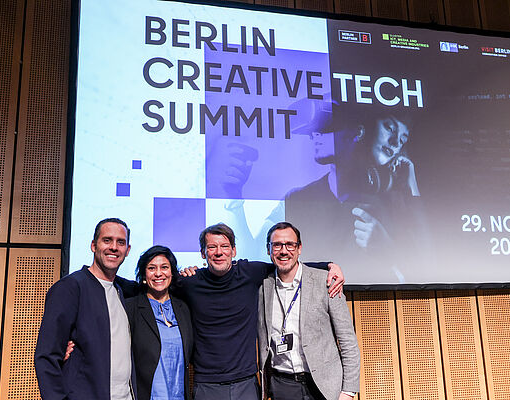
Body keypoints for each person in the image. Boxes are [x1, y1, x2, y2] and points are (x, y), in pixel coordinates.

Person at [175, 223, 344, 400]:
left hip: (246, 383)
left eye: (224, 246)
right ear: (203, 253)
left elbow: (287, 264)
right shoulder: (189, 282)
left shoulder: (249, 273)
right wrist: (182, 271)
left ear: (233, 251)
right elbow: (161, 281)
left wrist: (329, 265)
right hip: (207, 384)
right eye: (212, 247)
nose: (219, 252)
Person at [285, 101, 428, 282]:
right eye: (314, 130)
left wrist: (387, 251)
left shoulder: (388, 202)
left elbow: (424, 266)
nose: (316, 134)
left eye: (329, 128)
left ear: (358, 132)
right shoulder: (297, 198)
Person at [34, 218, 136, 400]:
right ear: (93, 245)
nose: (114, 247)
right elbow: (46, 356)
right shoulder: (70, 288)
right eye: (107, 240)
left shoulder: (123, 290)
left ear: (127, 250)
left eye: (120, 242)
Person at [258, 222, 360, 400]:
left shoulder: (326, 282)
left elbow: (347, 340)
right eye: (277, 245)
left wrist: (348, 391)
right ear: (268, 249)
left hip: (324, 387)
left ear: (299, 248)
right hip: (283, 386)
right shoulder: (261, 287)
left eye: (290, 245)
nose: (284, 251)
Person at [125, 246, 193, 400]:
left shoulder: (183, 308)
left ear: (172, 272)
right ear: (144, 274)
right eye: (151, 268)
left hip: (179, 395)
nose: (158, 273)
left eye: (164, 267)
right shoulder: (130, 308)